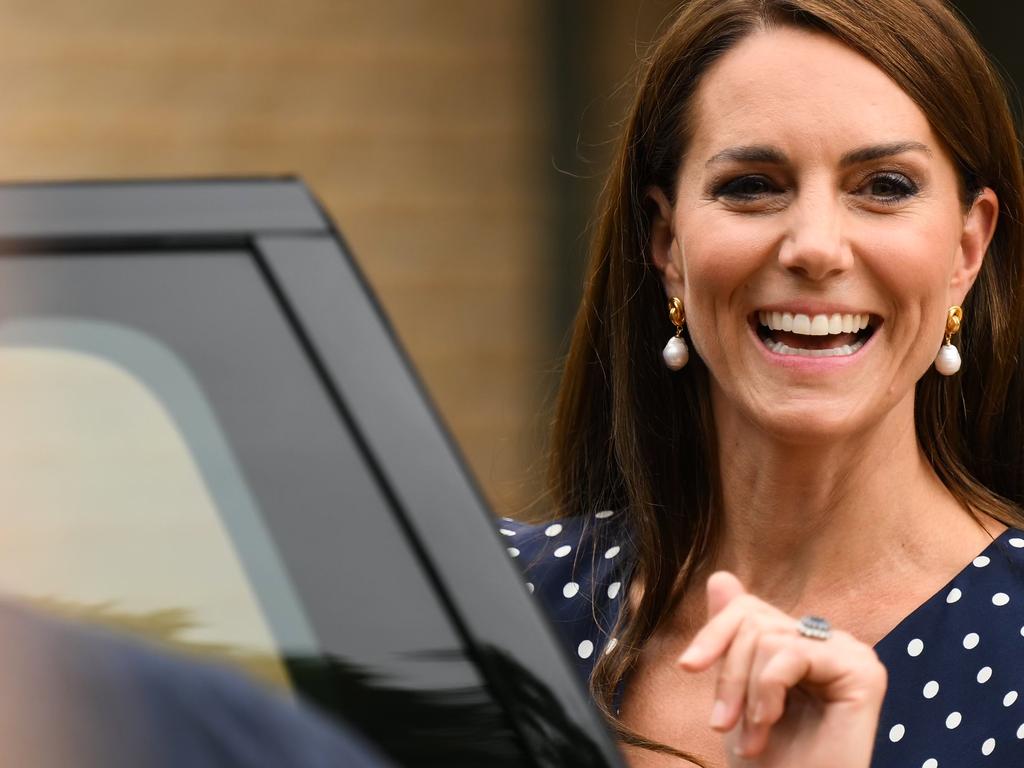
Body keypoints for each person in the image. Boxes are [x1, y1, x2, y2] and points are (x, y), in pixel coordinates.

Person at [500, 0, 1024, 766]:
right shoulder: (495, 607)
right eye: (751, 185)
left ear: (967, 249)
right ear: (668, 241)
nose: (815, 247)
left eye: (883, 185)